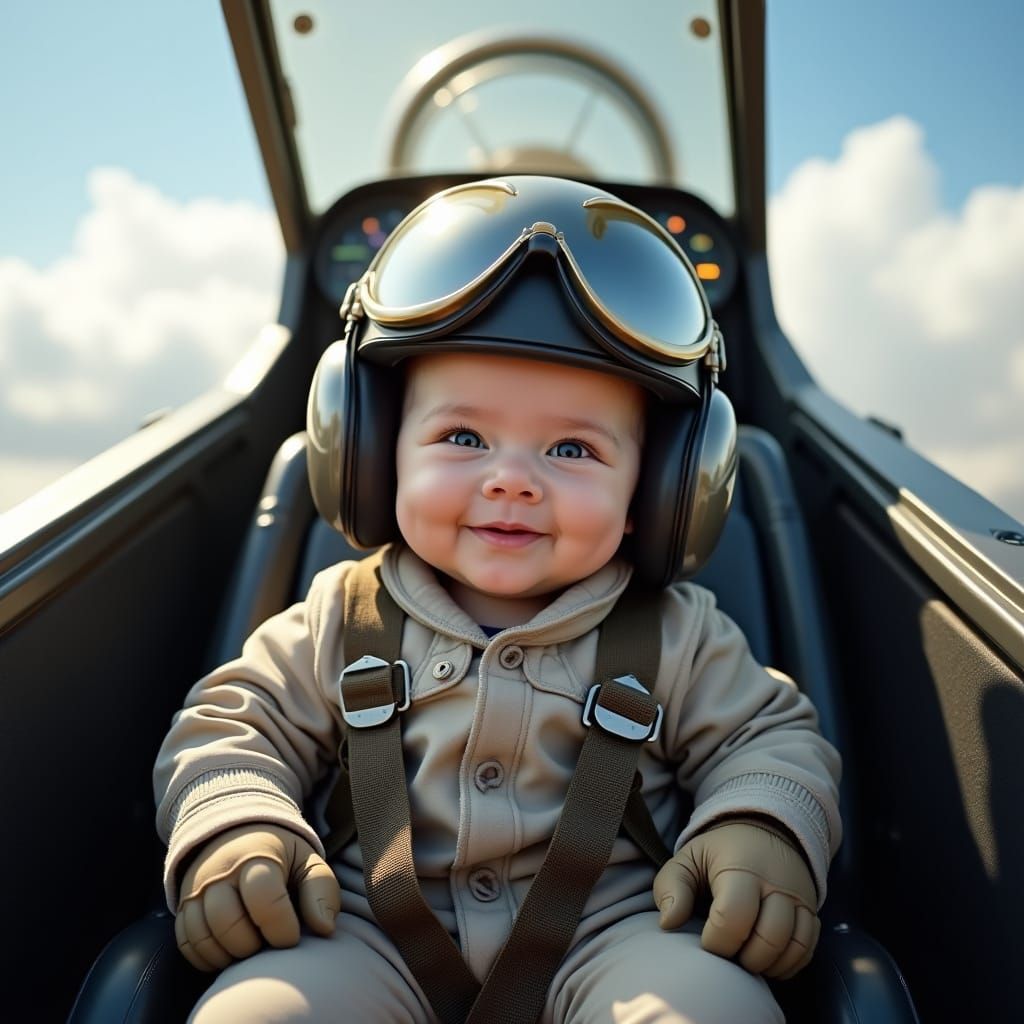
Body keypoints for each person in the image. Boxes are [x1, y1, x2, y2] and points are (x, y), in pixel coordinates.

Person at [154, 175, 841, 1023]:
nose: (512, 480)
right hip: (364, 930)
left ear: (661, 491)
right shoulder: (341, 616)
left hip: (620, 934)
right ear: (373, 455)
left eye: (573, 449)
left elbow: (770, 737)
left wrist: (761, 827)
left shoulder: (681, 636)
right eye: (464, 437)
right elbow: (233, 723)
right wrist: (238, 825)